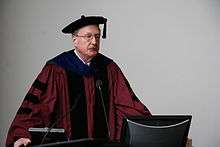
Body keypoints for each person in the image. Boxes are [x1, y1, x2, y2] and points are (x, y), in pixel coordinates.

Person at [5, 15, 151, 147]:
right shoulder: (57, 69)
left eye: (97, 36)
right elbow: (37, 107)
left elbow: (128, 105)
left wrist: (150, 128)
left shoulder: (109, 68)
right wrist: (22, 134)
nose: (94, 41)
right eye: (88, 36)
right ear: (75, 40)